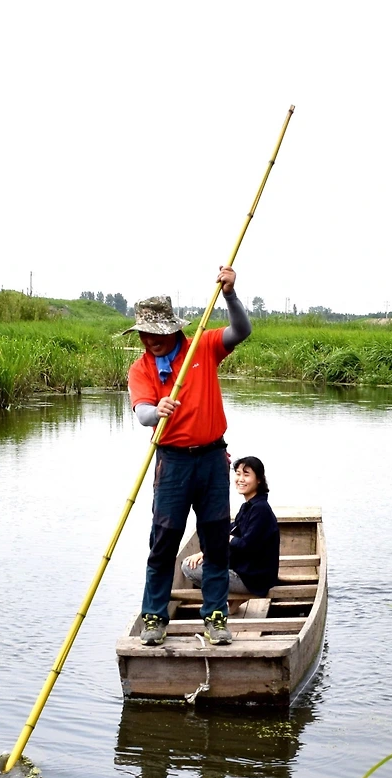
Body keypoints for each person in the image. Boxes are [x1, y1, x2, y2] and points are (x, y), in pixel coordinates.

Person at [124, 266, 251, 647]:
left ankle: (215, 616)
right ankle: (154, 618)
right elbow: (142, 413)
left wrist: (229, 294)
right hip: (173, 462)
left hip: (211, 460)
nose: (151, 341)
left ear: (174, 330)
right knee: (164, 540)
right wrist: (156, 409)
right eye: (146, 334)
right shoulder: (142, 368)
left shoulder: (203, 347)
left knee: (215, 540)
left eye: (158, 334)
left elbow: (241, 331)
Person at [182, 456, 281, 598]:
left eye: (246, 475)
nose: (240, 479)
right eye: (238, 473)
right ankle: (234, 601)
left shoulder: (260, 510)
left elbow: (247, 545)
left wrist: (227, 538)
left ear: (259, 479)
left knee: (188, 567)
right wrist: (204, 553)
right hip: (247, 571)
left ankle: (229, 599)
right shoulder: (248, 507)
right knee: (197, 559)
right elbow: (230, 529)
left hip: (253, 579)